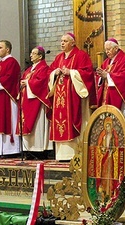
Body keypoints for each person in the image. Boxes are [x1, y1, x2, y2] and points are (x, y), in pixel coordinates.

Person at [48, 33, 97, 161]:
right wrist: (55, 73)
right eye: (61, 41)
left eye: (65, 41)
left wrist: (71, 72)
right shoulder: (59, 57)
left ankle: (76, 152)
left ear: (73, 43)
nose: (62, 43)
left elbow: (88, 73)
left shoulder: (81, 55)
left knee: (74, 120)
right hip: (60, 97)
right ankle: (62, 154)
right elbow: (50, 72)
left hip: (74, 98)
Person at [0, 40, 21, 158]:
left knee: (7, 120)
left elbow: (10, 79)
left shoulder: (12, 62)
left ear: (8, 49)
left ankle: (9, 150)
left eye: (0, 47)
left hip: (7, 97)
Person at [17, 46, 53, 159]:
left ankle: (39, 151)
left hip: (37, 102)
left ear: (40, 56)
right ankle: (29, 150)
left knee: (38, 125)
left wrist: (27, 83)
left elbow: (41, 82)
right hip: (26, 101)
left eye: (34, 53)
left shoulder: (43, 68)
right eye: (31, 53)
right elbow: (22, 80)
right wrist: (22, 83)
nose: (31, 55)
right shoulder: (28, 70)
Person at [96, 38, 125, 131]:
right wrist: (100, 76)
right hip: (107, 96)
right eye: (106, 50)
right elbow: (102, 78)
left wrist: (107, 75)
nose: (107, 52)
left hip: (121, 96)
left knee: (123, 119)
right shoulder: (107, 62)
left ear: (116, 48)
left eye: (109, 49)